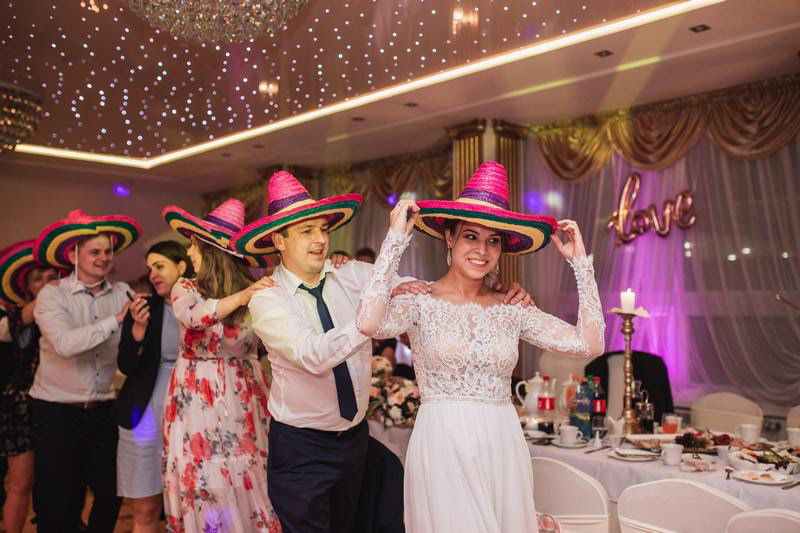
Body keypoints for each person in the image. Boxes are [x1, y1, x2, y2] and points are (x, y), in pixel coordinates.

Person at [231, 170, 530, 532]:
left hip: (355, 441)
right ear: (279, 240)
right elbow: (312, 354)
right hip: (302, 448)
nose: (320, 239)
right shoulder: (267, 298)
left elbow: (425, 291)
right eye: (306, 231)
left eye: (323, 229)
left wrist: (489, 290)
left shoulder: (353, 274)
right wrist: (367, 322)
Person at [356, 162, 605, 533]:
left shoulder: (513, 307)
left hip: (502, 442)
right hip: (442, 442)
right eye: (471, 236)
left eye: (493, 241)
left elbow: (590, 343)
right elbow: (368, 323)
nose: (482, 250)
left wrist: (580, 265)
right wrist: (394, 242)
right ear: (449, 237)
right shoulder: (419, 300)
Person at [160, 199, 281, 532]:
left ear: (212, 252)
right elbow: (194, 317)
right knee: (206, 474)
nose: (189, 253)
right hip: (197, 396)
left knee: (250, 467)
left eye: (194, 246)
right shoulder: (185, 287)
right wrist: (243, 296)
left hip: (244, 393)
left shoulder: (257, 293)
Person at [31, 209, 143, 533]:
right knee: (58, 500)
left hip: (104, 409)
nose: (104, 257)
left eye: (108, 251)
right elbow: (65, 344)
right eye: (95, 251)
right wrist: (117, 320)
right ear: (73, 255)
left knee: (111, 490)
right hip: (56, 411)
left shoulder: (123, 292)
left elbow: (132, 348)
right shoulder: (52, 295)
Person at [113, 241, 194, 533]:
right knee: (146, 507)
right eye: (150, 269)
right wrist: (138, 329)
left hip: (194, 411)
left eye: (159, 266)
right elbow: (125, 365)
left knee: (192, 505)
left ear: (182, 266)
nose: (153, 275)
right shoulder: (144, 308)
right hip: (146, 415)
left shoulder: (206, 306)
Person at [0, 240, 60, 533]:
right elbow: (15, 324)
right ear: (27, 288)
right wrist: (53, 292)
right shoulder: (19, 316)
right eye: (38, 279)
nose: (46, 283)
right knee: (21, 483)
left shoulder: (67, 314)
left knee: (53, 483)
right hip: (20, 407)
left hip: (57, 405)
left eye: (52, 277)